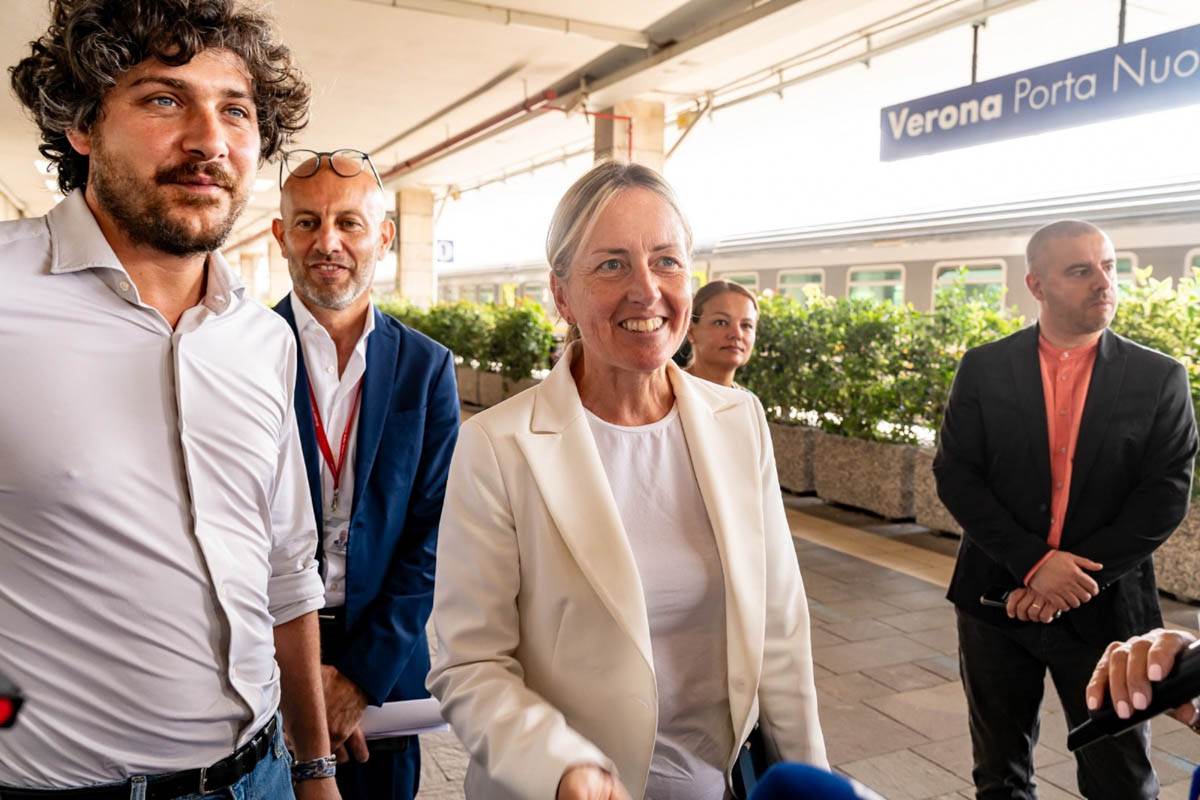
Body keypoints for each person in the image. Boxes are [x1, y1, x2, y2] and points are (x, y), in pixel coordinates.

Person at [0, 1, 341, 797]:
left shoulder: (262, 339)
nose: (209, 141)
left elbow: (287, 569)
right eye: (163, 98)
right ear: (83, 124)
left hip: (265, 775)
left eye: (236, 110)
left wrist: (314, 766)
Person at [426, 161, 827, 800]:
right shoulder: (499, 446)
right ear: (562, 294)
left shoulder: (738, 421)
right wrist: (562, 769)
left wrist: (811, 779)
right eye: (612, 265)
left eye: (666, 261)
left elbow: (779, 626)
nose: (646, 290)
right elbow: (471, 664)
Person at [933, 219, 1198, 799]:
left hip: (1109, 614)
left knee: (1122, 782)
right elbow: (956, 474)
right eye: (1080, 270)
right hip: (995, 603)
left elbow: (1164, 497)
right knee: (1000, 776)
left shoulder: (1160, 378)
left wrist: (1066, 582)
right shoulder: (984, 367)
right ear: (1037, 285)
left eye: (1109, 267)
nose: (1103, 282)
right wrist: (1033, 564)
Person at [271, 148, 460, 799]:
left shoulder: (426, 368)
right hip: (261, 671)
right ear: (281, 235)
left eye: (349, 223)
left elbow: (435, 534)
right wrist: (293, 683)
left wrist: (358, 678)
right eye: (307, 222)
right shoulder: (236, 354)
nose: (328, 242)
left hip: (384, 682)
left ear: (384, 237)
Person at [684, 280, 758, 388]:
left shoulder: (747, 398)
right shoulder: (665, 393)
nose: (737, 334)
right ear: (691, 330)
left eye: (746, 325)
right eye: (721, 322)